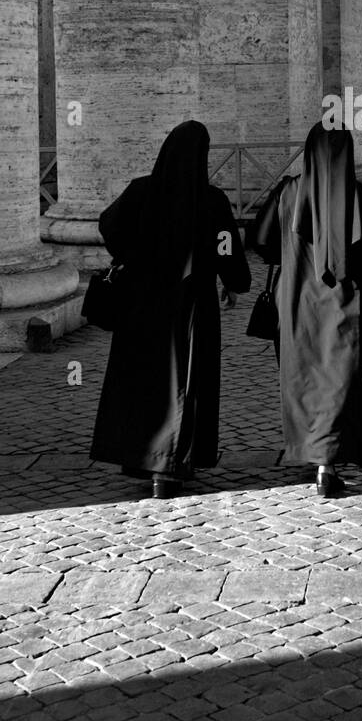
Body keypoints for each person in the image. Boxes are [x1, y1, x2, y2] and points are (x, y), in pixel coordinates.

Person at [90, 120, 251, 498]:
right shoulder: (212, 201)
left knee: (146, 381)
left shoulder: (141, 191)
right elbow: (226, 249)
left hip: (141, 306)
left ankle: (142, 457)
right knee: (186, 383)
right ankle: (173, 466)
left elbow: (109, 226)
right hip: (192, 308)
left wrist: (134, 255)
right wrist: (233, 282)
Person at [252, 122, 362, 498]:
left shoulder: (288, 194)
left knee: (305, 381)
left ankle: (317, 458)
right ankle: (329, 464)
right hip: (347, 308)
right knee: (341, 383)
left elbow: (260, 242)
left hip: (297, 304)